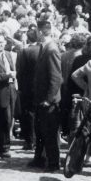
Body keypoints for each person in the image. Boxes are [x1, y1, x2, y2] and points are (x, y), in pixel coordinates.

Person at [29, 19, 62, 172]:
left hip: (48, 101)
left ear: (41, 31)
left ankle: (53, 163)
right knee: (41, 131)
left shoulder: (51, 49)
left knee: (49, 133)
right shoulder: (45, 47)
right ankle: (40, 159)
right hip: (41, 99)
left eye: (36, 31)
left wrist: (49, 100)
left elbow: (56, 78)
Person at [16, 26, 41, 150]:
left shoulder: (25, 51)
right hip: (40, 86)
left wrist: (20, 87)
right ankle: (38, 139)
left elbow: (20, 72)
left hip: (27, 87)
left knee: (28, 114)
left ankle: (30, 140)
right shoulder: (42, 49)